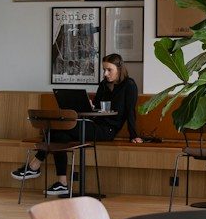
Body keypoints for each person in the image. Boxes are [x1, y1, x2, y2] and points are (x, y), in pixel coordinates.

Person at [11, 53, 143, 197]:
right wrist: (90, 106)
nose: (105, 73)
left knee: (59, 129)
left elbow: (131, 111)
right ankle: (62, 184)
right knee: (58, 133)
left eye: (109, 70)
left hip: (107, 130)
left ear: (119, 68)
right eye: (104, 69)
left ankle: (34, 166)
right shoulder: (103, 85)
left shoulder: (129, 85)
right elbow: (97, 106)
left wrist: (134, 135)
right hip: (93, 124)